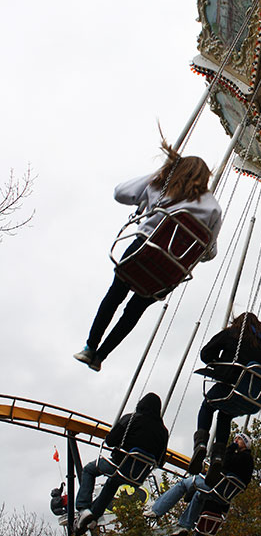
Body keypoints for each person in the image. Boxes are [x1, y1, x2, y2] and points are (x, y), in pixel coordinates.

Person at [73, 139, 222, 372]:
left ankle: (90, 347)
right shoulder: (213, 208)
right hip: (169, 272)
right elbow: (209, 252)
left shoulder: (161, 186)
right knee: (134, 311)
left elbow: (120, 193)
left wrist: (160, 175)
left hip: (143, 251)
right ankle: (101, 356)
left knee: (114, 295)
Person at [189, 313, 261, 479]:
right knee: (225, 416)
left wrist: (219, 361)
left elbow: (206, 353)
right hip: (251, 398)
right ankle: (218, 456)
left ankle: (200, 444)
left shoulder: (232, 334)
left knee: (208, 404)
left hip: (229, 388)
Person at [146, 432, 253, 536]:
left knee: (183, 484)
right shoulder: (248, 464)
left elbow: (226, 462)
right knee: (198, 498)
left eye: (239, 439)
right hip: (223, 498)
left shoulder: (243, 458)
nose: (236, 440)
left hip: (215, 488)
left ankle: (157, 510)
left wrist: (230, 448)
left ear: (246, 445)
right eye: (235, 438)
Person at [75, 392, 168, 534]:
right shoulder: (163, 432)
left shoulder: (131, 419)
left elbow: (110, 441)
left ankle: (83, 508)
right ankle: (93, 517)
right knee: (112, 484)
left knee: (89, 470)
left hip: (119, 465)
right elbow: (160, 461)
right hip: (138, 476)